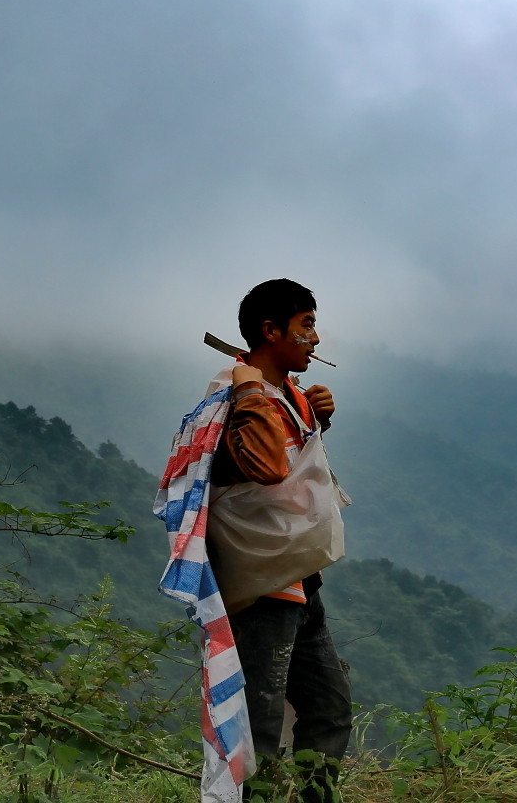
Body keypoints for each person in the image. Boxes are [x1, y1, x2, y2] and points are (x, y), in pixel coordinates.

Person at [212, 278, 352, 802]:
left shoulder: (286, 396)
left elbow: (292, 466)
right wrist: (249, 388)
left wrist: (320, 420)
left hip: (298, 580)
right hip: (263, 588)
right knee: (262, 727)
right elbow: (267, 468)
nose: (316, 339)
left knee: (329, 710)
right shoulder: (231, 394)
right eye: (306, 326)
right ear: (271, 331)